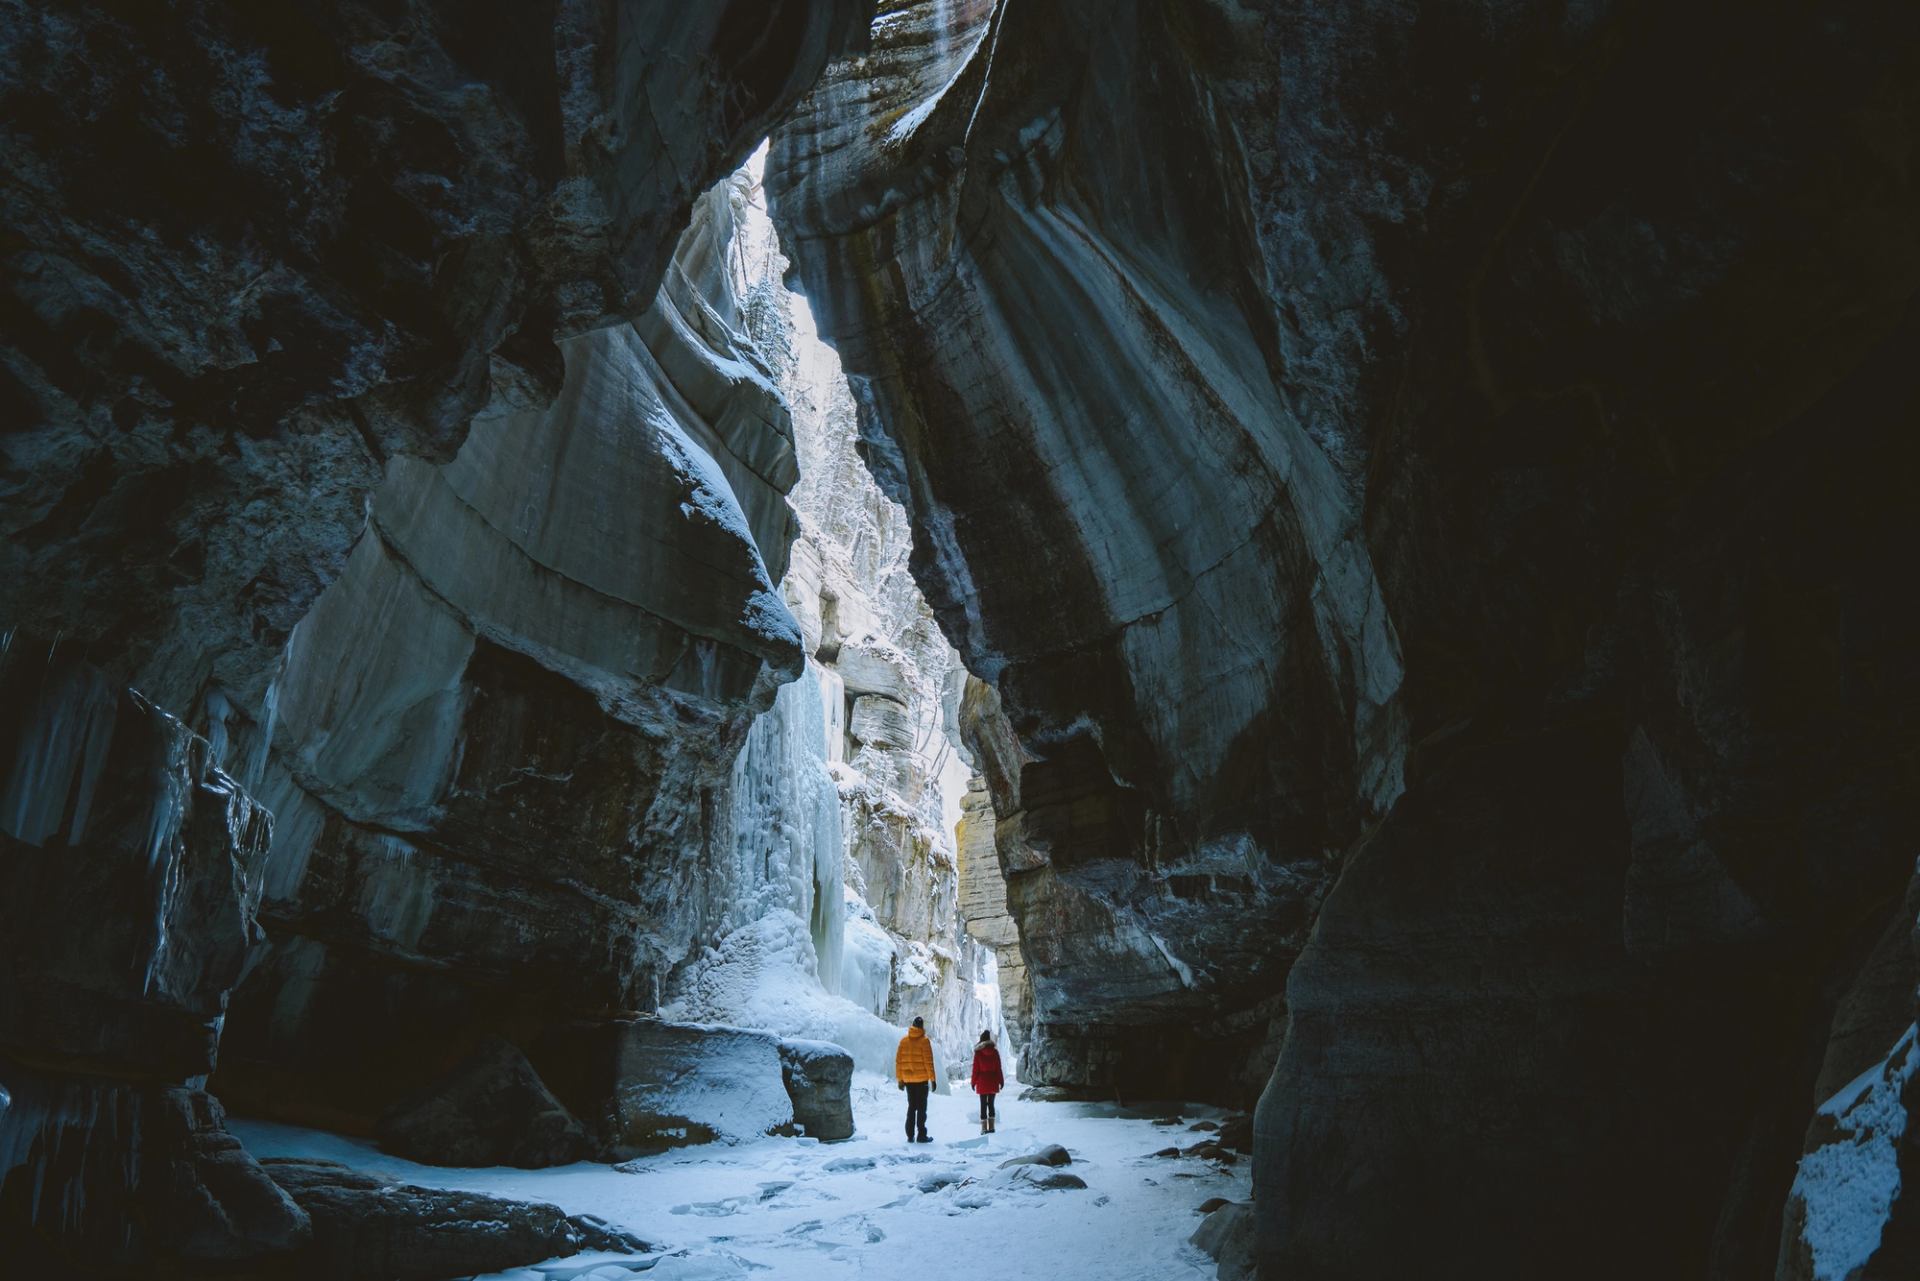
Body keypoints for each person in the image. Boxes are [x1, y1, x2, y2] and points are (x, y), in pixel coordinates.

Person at [894, 1016, 936, 1143]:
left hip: (908, 1082)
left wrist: (900, 1080)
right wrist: (933, 1079)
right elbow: (929, 1062)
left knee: (912, 1107)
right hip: (922, 1081)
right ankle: (921, 1135)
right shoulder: (924, 1041)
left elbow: (899, 1062)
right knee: (922, 1109)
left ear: (912, 1025)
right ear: (922, 1026)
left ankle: (910, 1135)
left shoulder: (903, 1041)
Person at [971, 1030, 1004, 1133]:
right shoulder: (995, 1052)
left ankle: (984, 1128)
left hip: (982, 1082)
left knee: (983, 1105)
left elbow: (975, 1069)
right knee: (991, 1104)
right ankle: (992, 1127)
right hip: (993, 1081)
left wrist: (973, 1082)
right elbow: (999, 1068)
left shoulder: (978, 1053)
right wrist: (1001, 1081)